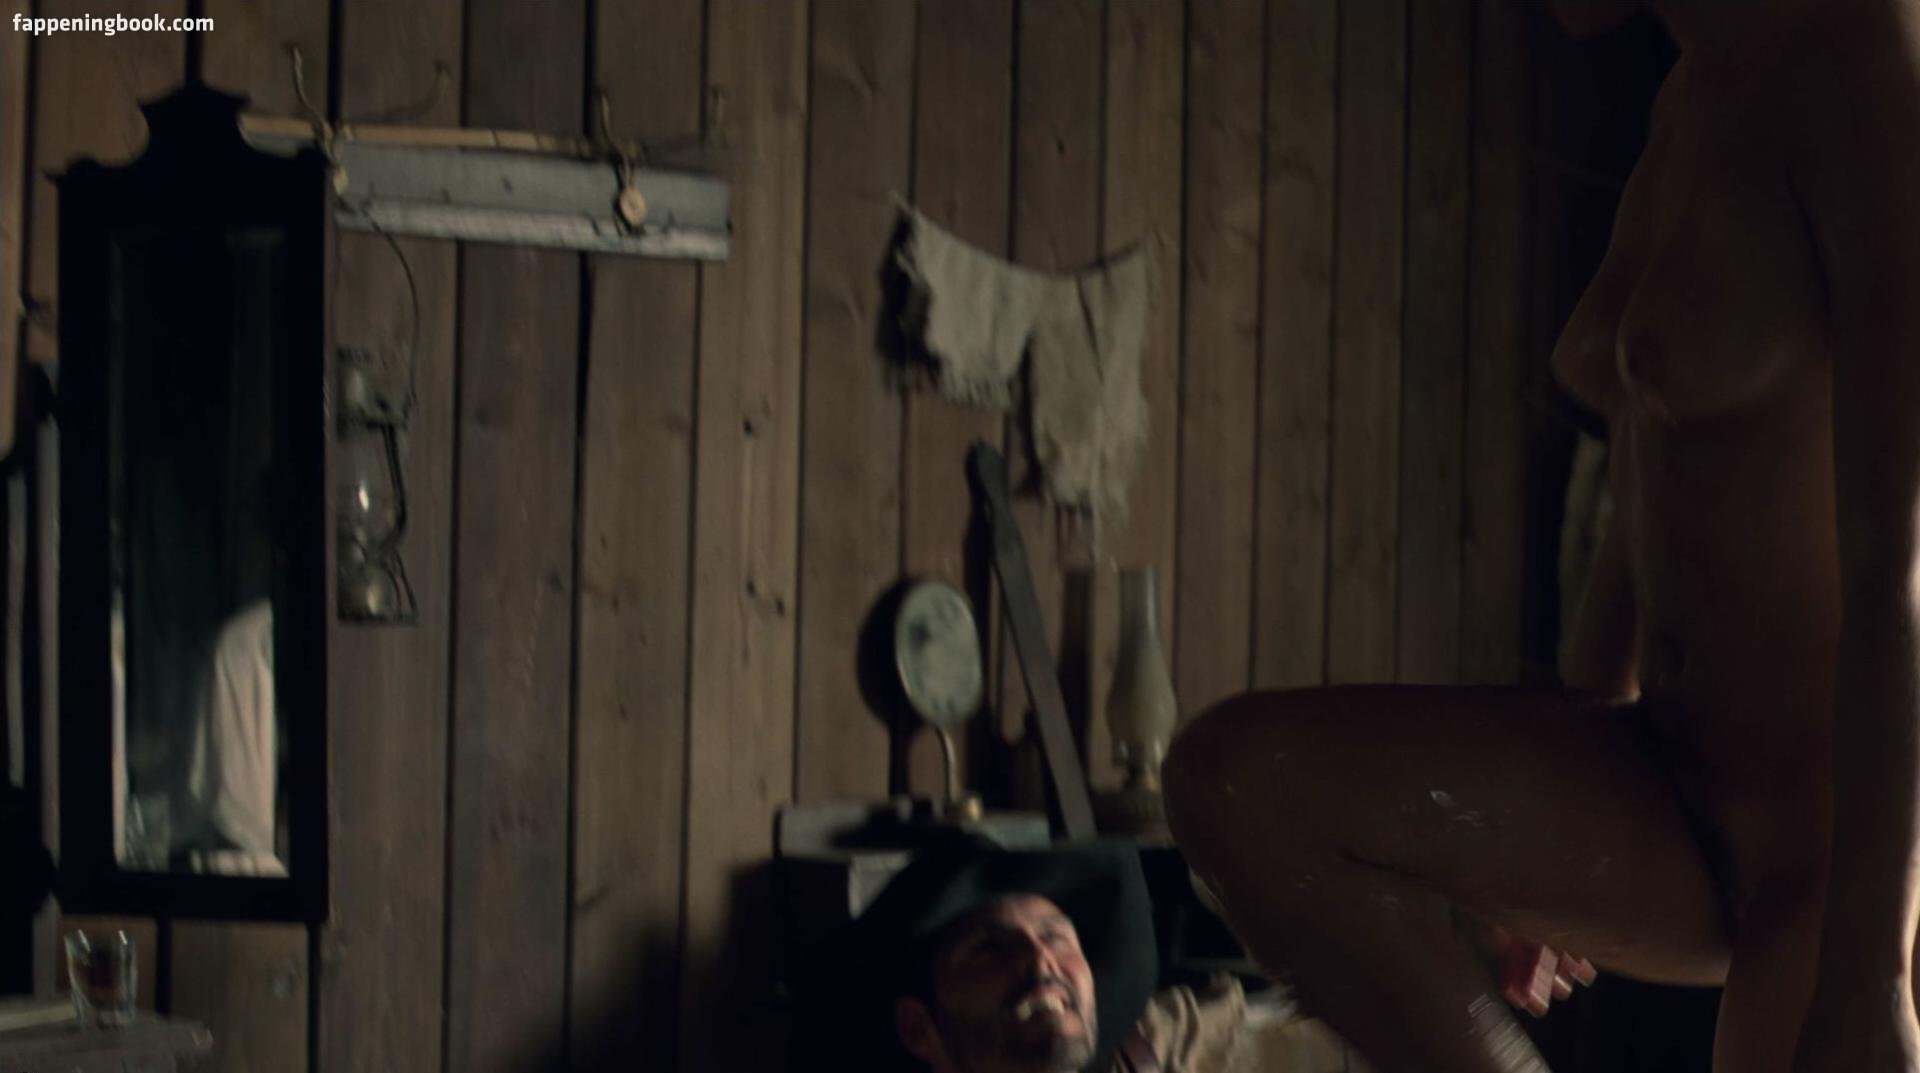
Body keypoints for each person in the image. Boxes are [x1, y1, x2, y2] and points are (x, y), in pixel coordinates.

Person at [1161, 1, 1920, 1071]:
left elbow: (1899, 561)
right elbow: (1653, 464)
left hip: (1835, 836)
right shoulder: (1691, 93)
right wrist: (1566, 779)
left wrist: (1874, 970)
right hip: (1669, 774)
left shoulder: (1870, 57)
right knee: (1240, 787)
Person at [793, 834, 1246, 1073]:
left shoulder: (1148, 1054)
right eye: (989, 948)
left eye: (1055, 936)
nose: (1041, 961)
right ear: (918, 1029)